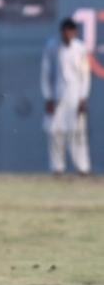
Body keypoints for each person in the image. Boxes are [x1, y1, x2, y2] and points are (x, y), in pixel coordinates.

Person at [41, 18, 91, 175]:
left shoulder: (80, 48)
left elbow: (85, 75)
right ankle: (58, 167)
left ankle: (82, 168)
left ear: (75, 32)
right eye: (66, 30)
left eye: (71, 31)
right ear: (61, 31)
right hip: (57, 96)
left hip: (75, 96)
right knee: (55, 131)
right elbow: (46, 73)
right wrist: (48, 96)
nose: (68, 34)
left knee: (78, 133)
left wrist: (83, 97)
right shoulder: (52, 46)